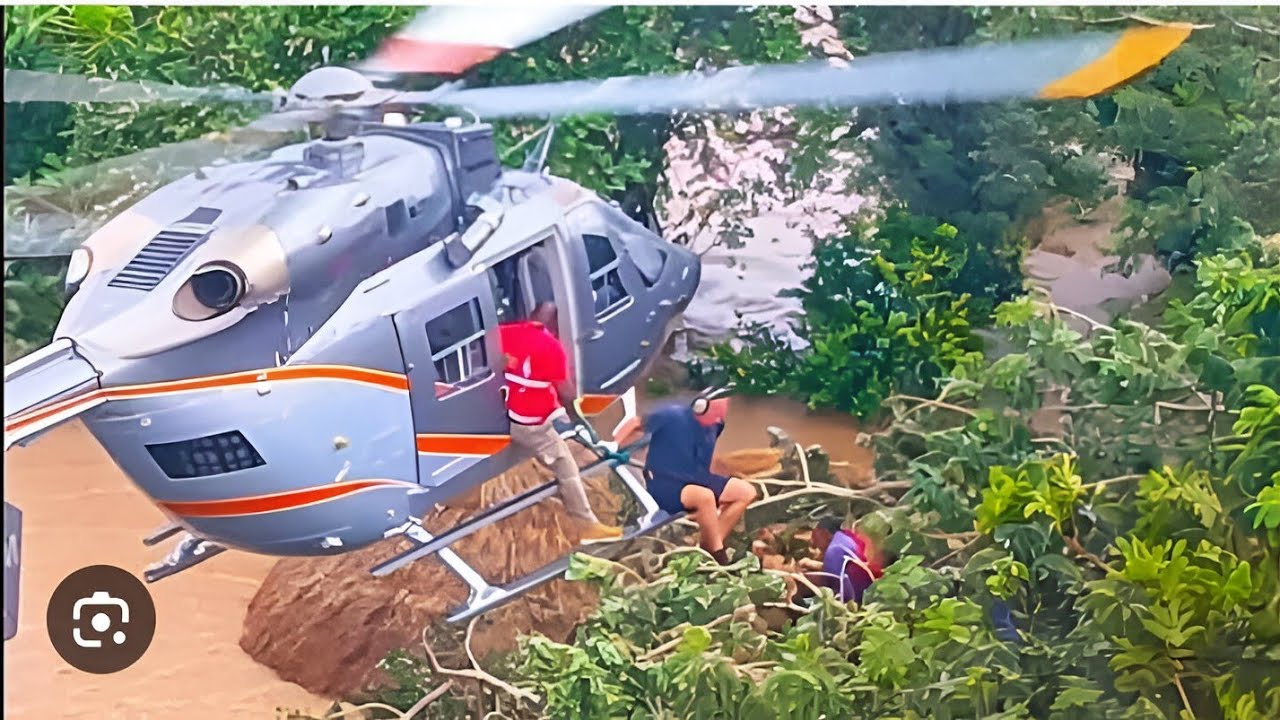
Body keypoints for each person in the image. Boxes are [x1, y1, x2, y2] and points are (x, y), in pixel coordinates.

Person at [499, 302, 622, 544]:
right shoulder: (551, 347)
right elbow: (565, 389)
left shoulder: (508, 332)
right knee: (566, 465)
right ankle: (586, 525)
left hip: (508, 408)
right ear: (555, 324)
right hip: (531, 423)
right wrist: (578, 406)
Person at [614, 390, 758, 565]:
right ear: (700, 406)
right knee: (705, 497)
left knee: (745, 492)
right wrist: (614, 447)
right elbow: (635, 423)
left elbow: (706, 456)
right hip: (665, 483)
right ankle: (717, 554)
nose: (721, 414)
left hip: (697, 478)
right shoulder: (672, 415)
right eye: (717, 409)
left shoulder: (716, 425)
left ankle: (710, 543)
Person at [795, 516, 887, 604]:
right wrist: (812, 565)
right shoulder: (843, 538)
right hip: (870, 588)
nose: (813, 540)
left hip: (859, 598)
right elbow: (842, 566)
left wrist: (803, 579)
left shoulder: (834, 550)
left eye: (815, 535)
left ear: (825, 533)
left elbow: (831, 585)